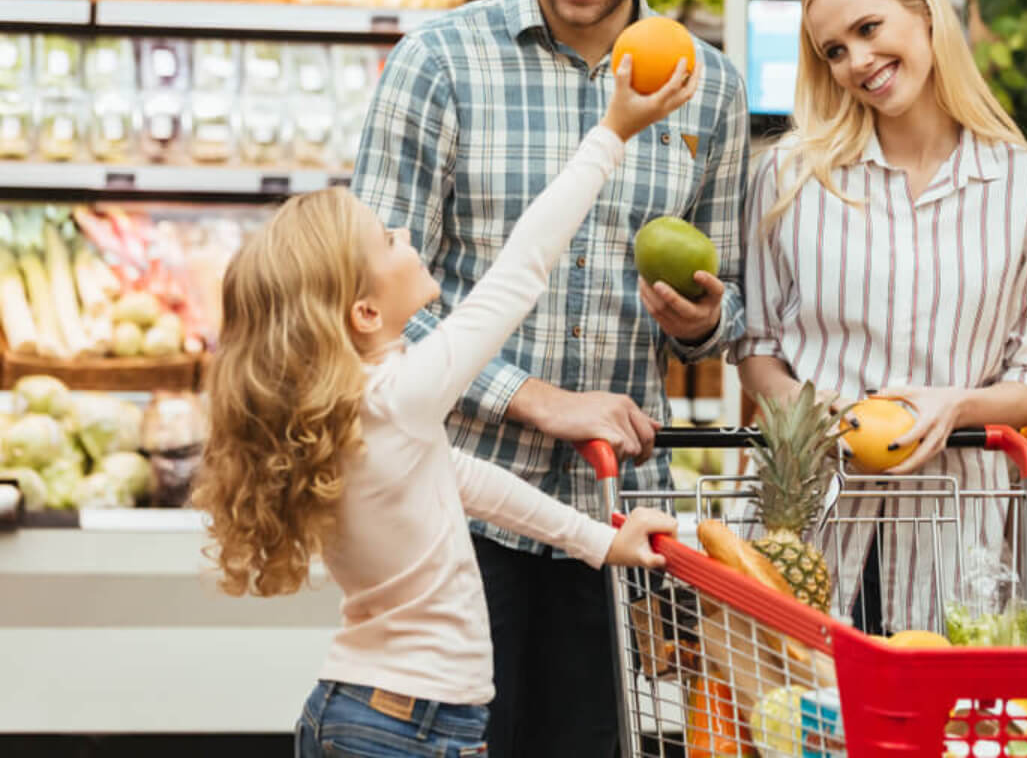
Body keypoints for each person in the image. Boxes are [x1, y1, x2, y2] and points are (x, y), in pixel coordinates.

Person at [351, 0, 748, 757]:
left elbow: (725, 310)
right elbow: (360, 312)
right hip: (443, 514)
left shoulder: (712, 86)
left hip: (605, 521)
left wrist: (698, 320)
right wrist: (531, 394)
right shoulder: (438, 64)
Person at [194, 54, 695, 757]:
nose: (405, 236)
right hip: (406, 728)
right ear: (365, 311)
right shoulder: (397, 399)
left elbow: (469, 483)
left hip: (368, 712)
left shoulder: (362, 411)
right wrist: (611, 132)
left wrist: (600, 543)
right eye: (387, 240)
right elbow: (523, 269)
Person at [729, 0, 1027, 634]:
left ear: (923, 8)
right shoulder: (791, 179)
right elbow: (755, 345)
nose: (858, 61)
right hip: (810, 526)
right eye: (834, 50)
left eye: (868, 27)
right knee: (795, 733)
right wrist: (809, 413)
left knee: (938, 734)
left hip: (960, 535)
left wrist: (957, 405)